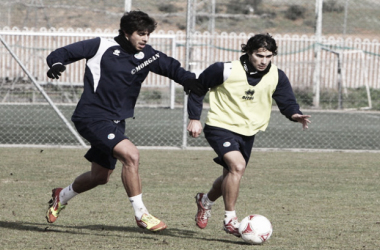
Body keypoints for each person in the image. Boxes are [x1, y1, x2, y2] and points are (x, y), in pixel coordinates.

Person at [45, 11, 204, 232]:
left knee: (99, 177)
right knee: (132, 155)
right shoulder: (100, 45)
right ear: (126, 32)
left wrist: (189, 80)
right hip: (92, 116)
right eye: (141, 34)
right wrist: (56, 64)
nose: (146, 39)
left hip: (116, 122)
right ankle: (142, 215)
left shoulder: (148, 55)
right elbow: (62, 53)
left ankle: (60, 196)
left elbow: (173, 68)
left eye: (148, 34)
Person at [186, 34, 311, 237]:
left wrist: (295, 115)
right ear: (249, 52)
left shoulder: (277, 75)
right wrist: (194, 118)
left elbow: (287, 102)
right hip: (220, 125)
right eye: (259, 55)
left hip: (249, 131)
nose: (263, 61)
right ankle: (230, 220)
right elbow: (198, 88)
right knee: (238, 166)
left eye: (268, 56)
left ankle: (205, 201)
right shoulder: (224, 69)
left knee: (231, 174)